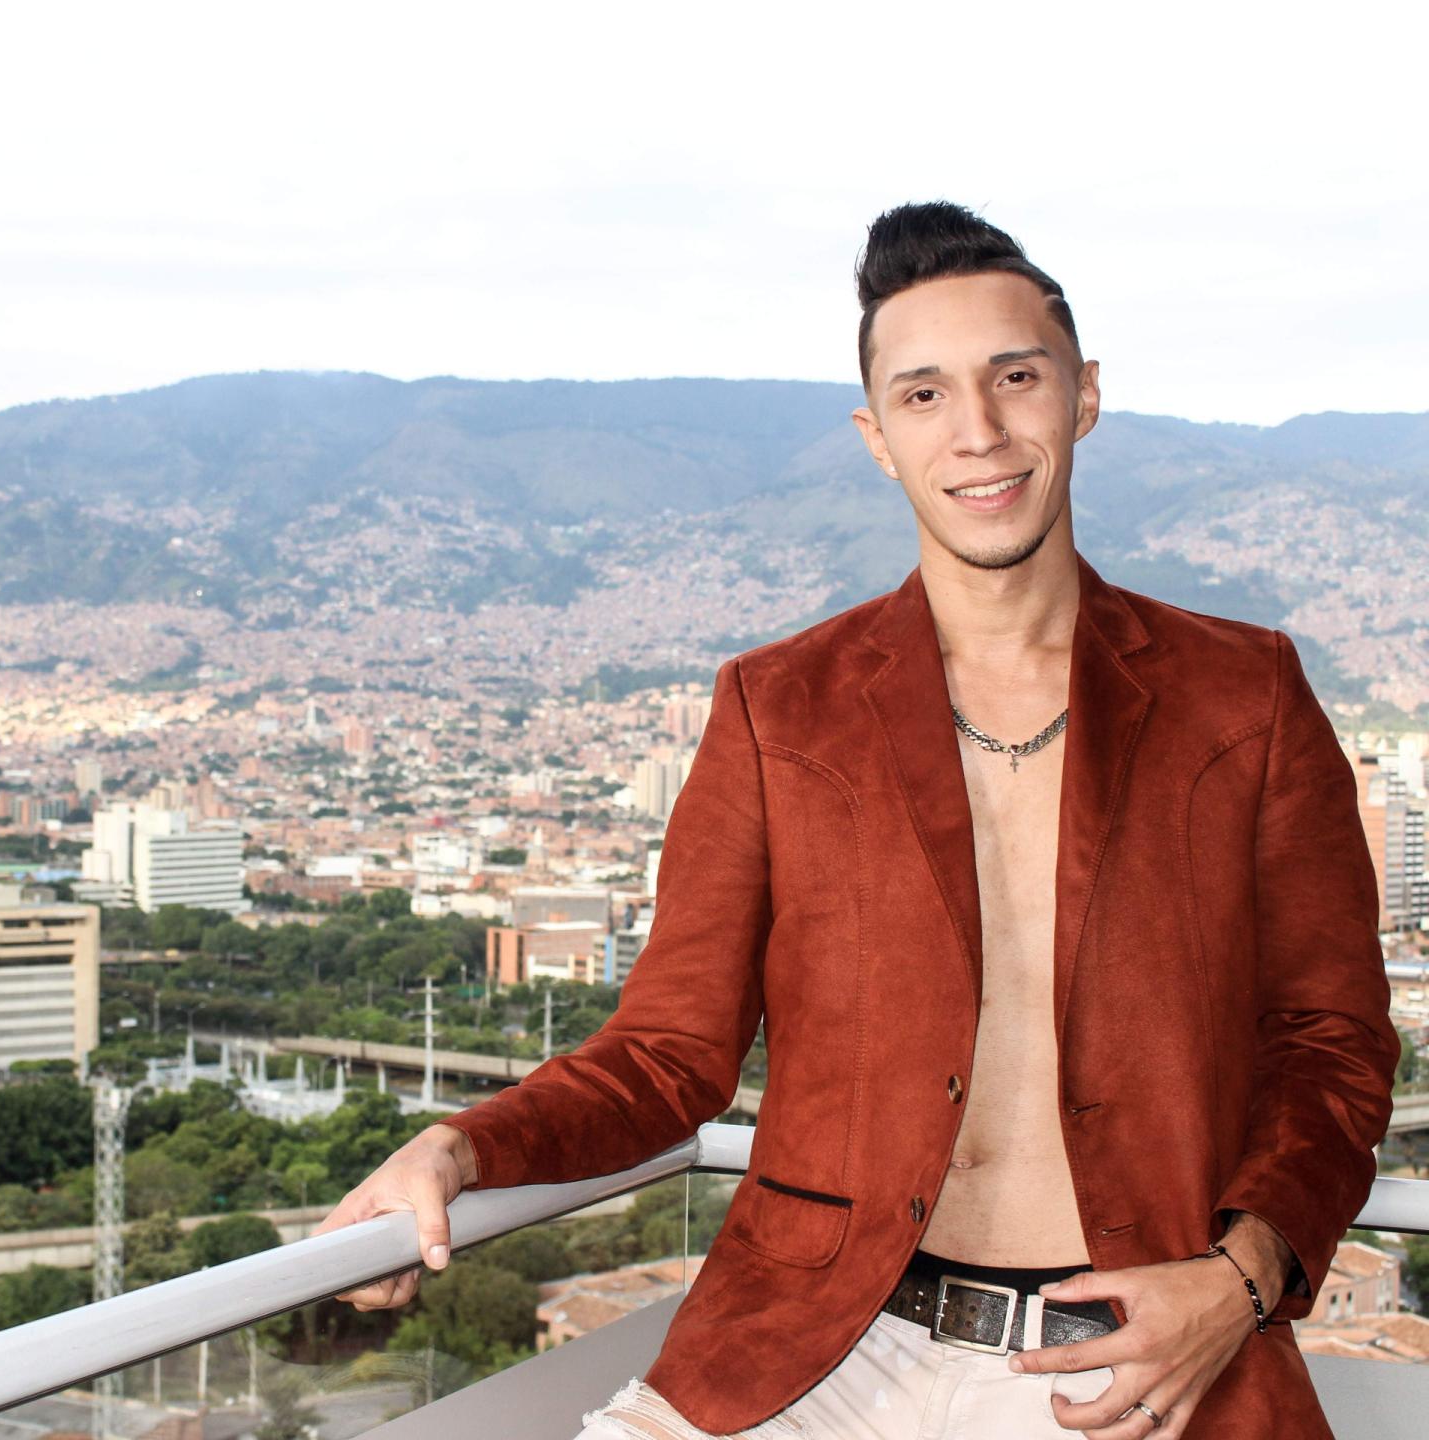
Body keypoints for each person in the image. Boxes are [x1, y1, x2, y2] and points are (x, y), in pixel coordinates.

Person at [314, 202, 1399, 1439]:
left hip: (1131, 1367)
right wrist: (457, 1151)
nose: (979, 430)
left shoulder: (1245, 695)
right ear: (877, 437)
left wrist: (1241, 1281)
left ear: (1084, 395)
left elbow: (1332, 1043)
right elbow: (667, 1053)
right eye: (925, 394)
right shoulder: (777, 708)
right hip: (818, 1354)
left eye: (1016, 377)